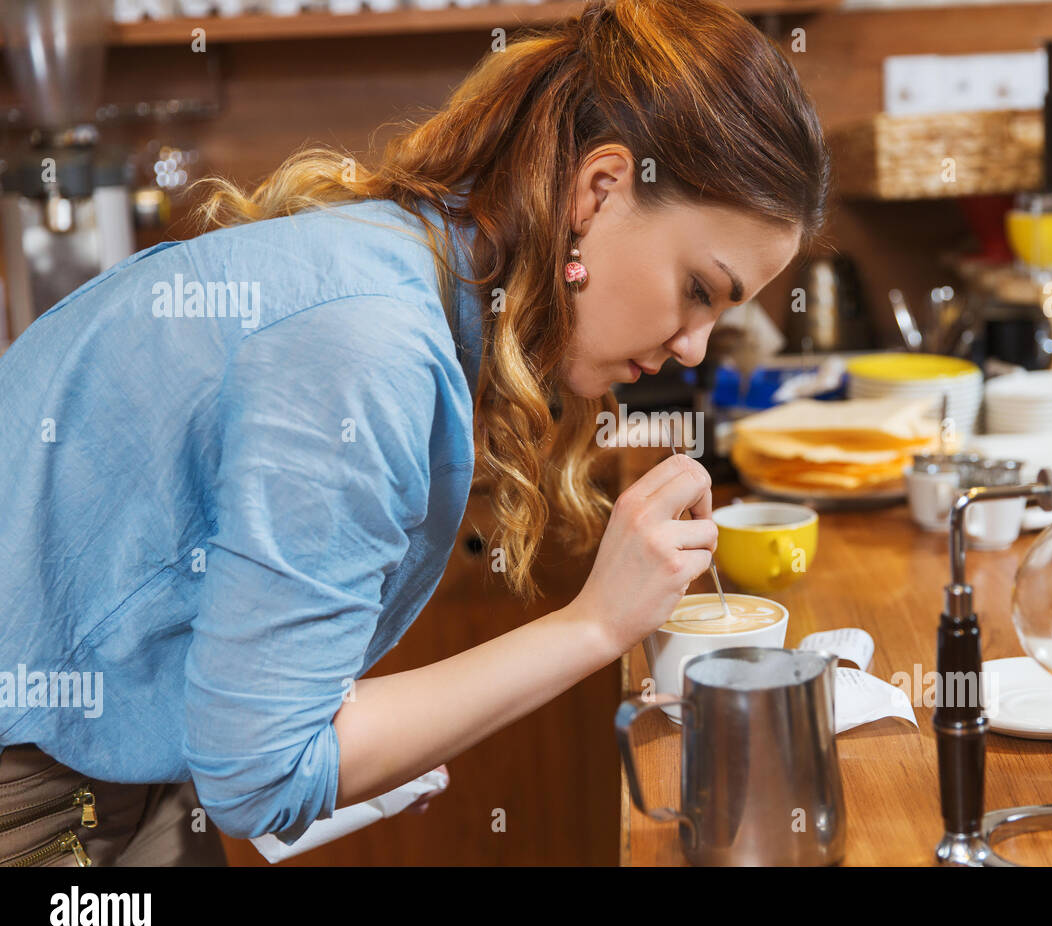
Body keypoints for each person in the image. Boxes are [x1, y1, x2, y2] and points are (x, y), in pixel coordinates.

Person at [0, 0, 828, 866]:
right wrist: (596, 626)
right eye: (700, 287)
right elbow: (262, 778)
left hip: (117, 762)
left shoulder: (405, 270)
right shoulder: (368, 347)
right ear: (599, 191)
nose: (692, 346)